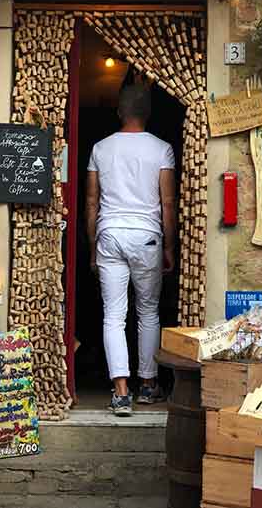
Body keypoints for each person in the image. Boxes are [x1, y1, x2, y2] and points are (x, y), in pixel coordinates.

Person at [85, 77, 176, 416]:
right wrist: (169, 246)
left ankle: (121, 391)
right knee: (148, 312)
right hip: (147, 237)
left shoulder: (100, 148)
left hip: (109, 235)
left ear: (120, 111)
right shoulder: (161, 148)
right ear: (148, 113)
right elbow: (168, 202)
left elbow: (91, 202)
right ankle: (149, 384)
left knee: (113, 315)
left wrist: (93, 245)